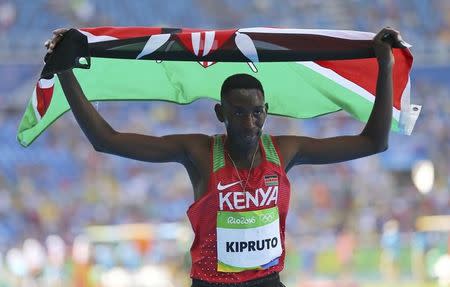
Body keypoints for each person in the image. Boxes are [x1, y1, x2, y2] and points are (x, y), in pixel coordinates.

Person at [45, 27, 406, 287]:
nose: (249, 122)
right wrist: (64, 71)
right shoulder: (199, 152)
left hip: (268, 281)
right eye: (237, 113)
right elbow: (106, 140)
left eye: (257, 113)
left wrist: (384, 67)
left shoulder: (284, 151)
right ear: (220, 113)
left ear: (266, 111)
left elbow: (374, 142)